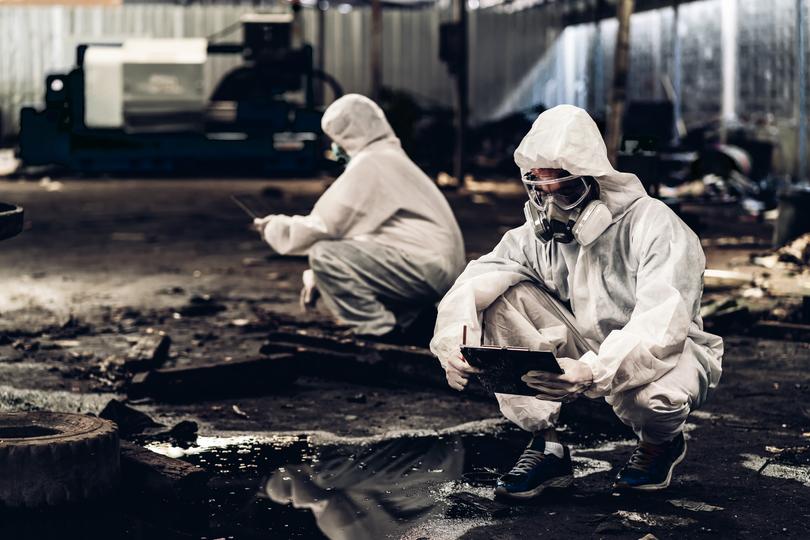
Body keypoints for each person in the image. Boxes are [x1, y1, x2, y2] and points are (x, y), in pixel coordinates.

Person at [430, 104, 723, 498]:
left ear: (596, 180)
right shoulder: (534, 238)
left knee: (656, 400)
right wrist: (452, 343)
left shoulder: (656, 226)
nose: (552, 208)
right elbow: (475, 281)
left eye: (567, 191)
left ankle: (660, 443)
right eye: (540, 191)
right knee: (498, 296)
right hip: (581, 345)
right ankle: (547, 445)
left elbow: (661, 325)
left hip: (657, 349)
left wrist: (592, 372)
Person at [255, 94, 465, 341]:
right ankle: (415, 322)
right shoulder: (390, 158)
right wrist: (317, 277)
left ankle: (380, 331)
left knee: (324, 254)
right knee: (336, 259)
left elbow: (325, 226)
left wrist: (275, 227)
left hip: (425, 267)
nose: (334, 148)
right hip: (435, 267)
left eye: (335, 140)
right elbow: (364, 236)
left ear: (347, 135)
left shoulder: (372, 162)